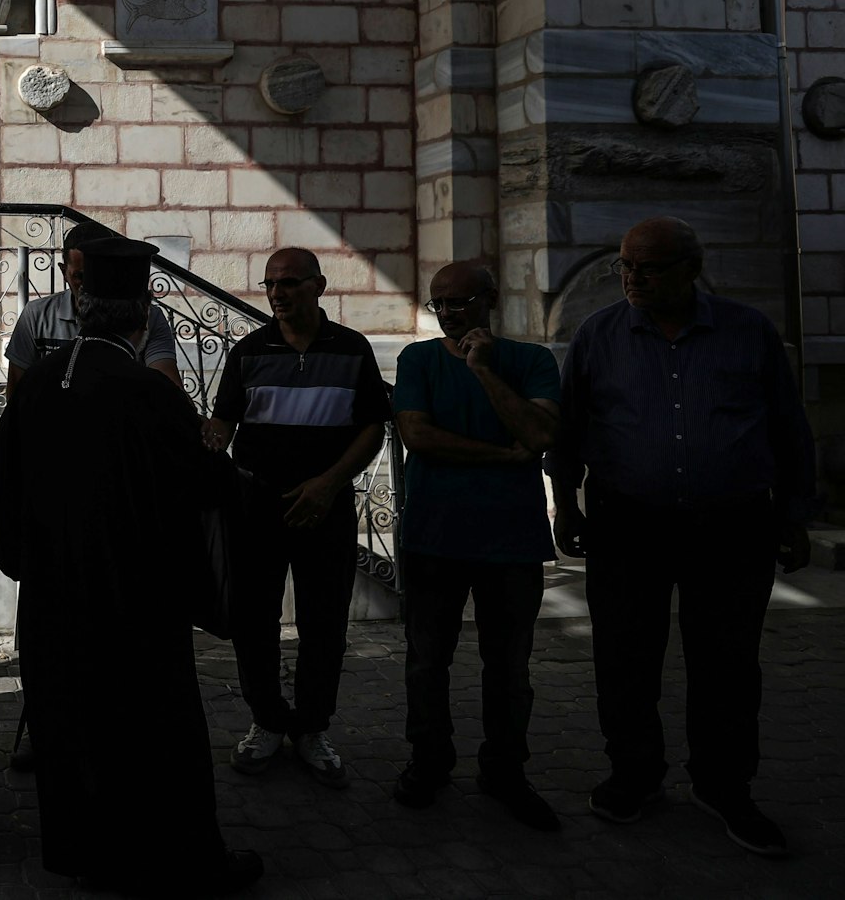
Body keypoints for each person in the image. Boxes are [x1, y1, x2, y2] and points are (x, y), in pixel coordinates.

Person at [0, 234, 263, 896]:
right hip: (133, 601)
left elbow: (11, 485)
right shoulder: (150, 394)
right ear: (144, 314)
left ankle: (89, 852)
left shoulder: (36, 394)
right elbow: (203, 487)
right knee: (155, 729)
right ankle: (189, 860)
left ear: (82, 306)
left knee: (71, 725)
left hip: (55, 599)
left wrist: (27, 561)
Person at [550, 216, 815, 856]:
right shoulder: (599, 334)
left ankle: (724, 786)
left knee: (725, 663)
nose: (633, 278)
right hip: (628, 524)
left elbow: (787, 428)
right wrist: (566, 505)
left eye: (649, 267)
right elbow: (570, 429)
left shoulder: (747, 333)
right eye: (625, 265)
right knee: (625, 657)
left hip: (732, 527)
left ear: (691, 270)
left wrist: (796, 514)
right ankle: (635, 775)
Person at [391, 262, 561, 830]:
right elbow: (416, 434)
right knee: (426, 662)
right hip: (435, 538)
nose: (448, 314)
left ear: (490, 299)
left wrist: (484, 371)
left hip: (511, 543)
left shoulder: (531, 361)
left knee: (509, 668)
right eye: (439, 304)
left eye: (459, 303)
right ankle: (429, 762)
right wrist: (501, 455)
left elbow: (539, 436)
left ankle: (505, 772)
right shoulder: (418, 360)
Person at [210, 247, 388, 788]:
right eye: (269, 285)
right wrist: (205, 443)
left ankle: (311, 728)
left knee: (324, 624)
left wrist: (329, 483)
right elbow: (223, 424)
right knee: (254, 622)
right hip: (257, 509)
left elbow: (372, 428)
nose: (277, 294)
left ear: (319, 285)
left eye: (288, 283)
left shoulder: (352, 349)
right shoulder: (249, 351)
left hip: (326, 508)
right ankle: (266, 721)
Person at [4, 219, 184, 401]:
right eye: (80, 276)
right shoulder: (36, 316)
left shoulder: (147, 316)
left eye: (96, 277)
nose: (87, 286)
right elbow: (16, 396)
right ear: (63, 272)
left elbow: (167, 380)